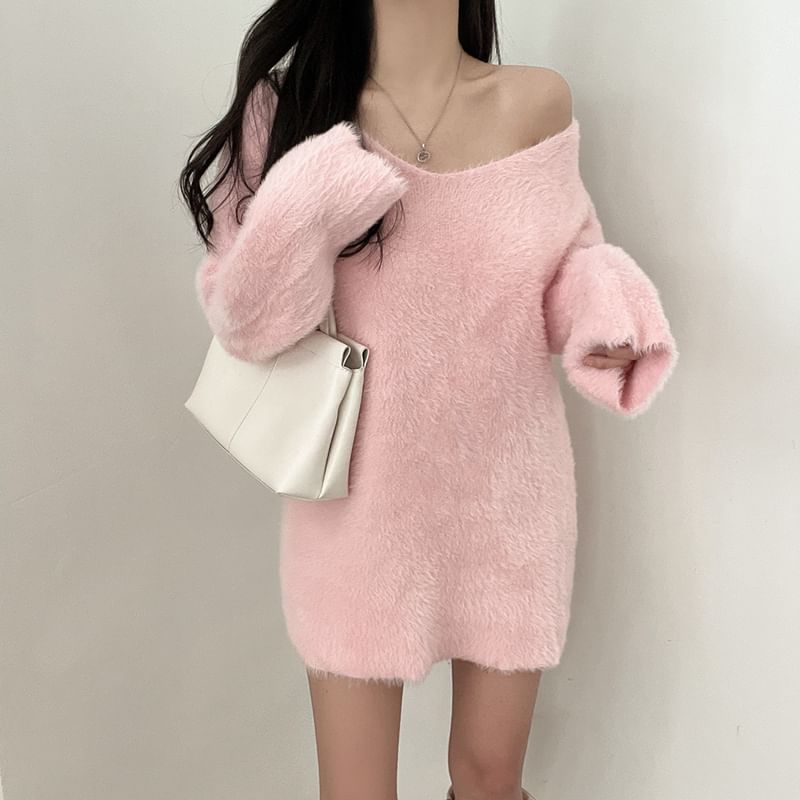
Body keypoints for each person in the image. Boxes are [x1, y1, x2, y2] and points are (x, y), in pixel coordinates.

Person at [179, 1, 679, 798]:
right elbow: (249, 324)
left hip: (510, 498)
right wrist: (317, 187)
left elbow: (566, 265)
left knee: (490, 780)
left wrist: (605, 312)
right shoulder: (294, 106)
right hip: (357, 512)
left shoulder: (538, 102)